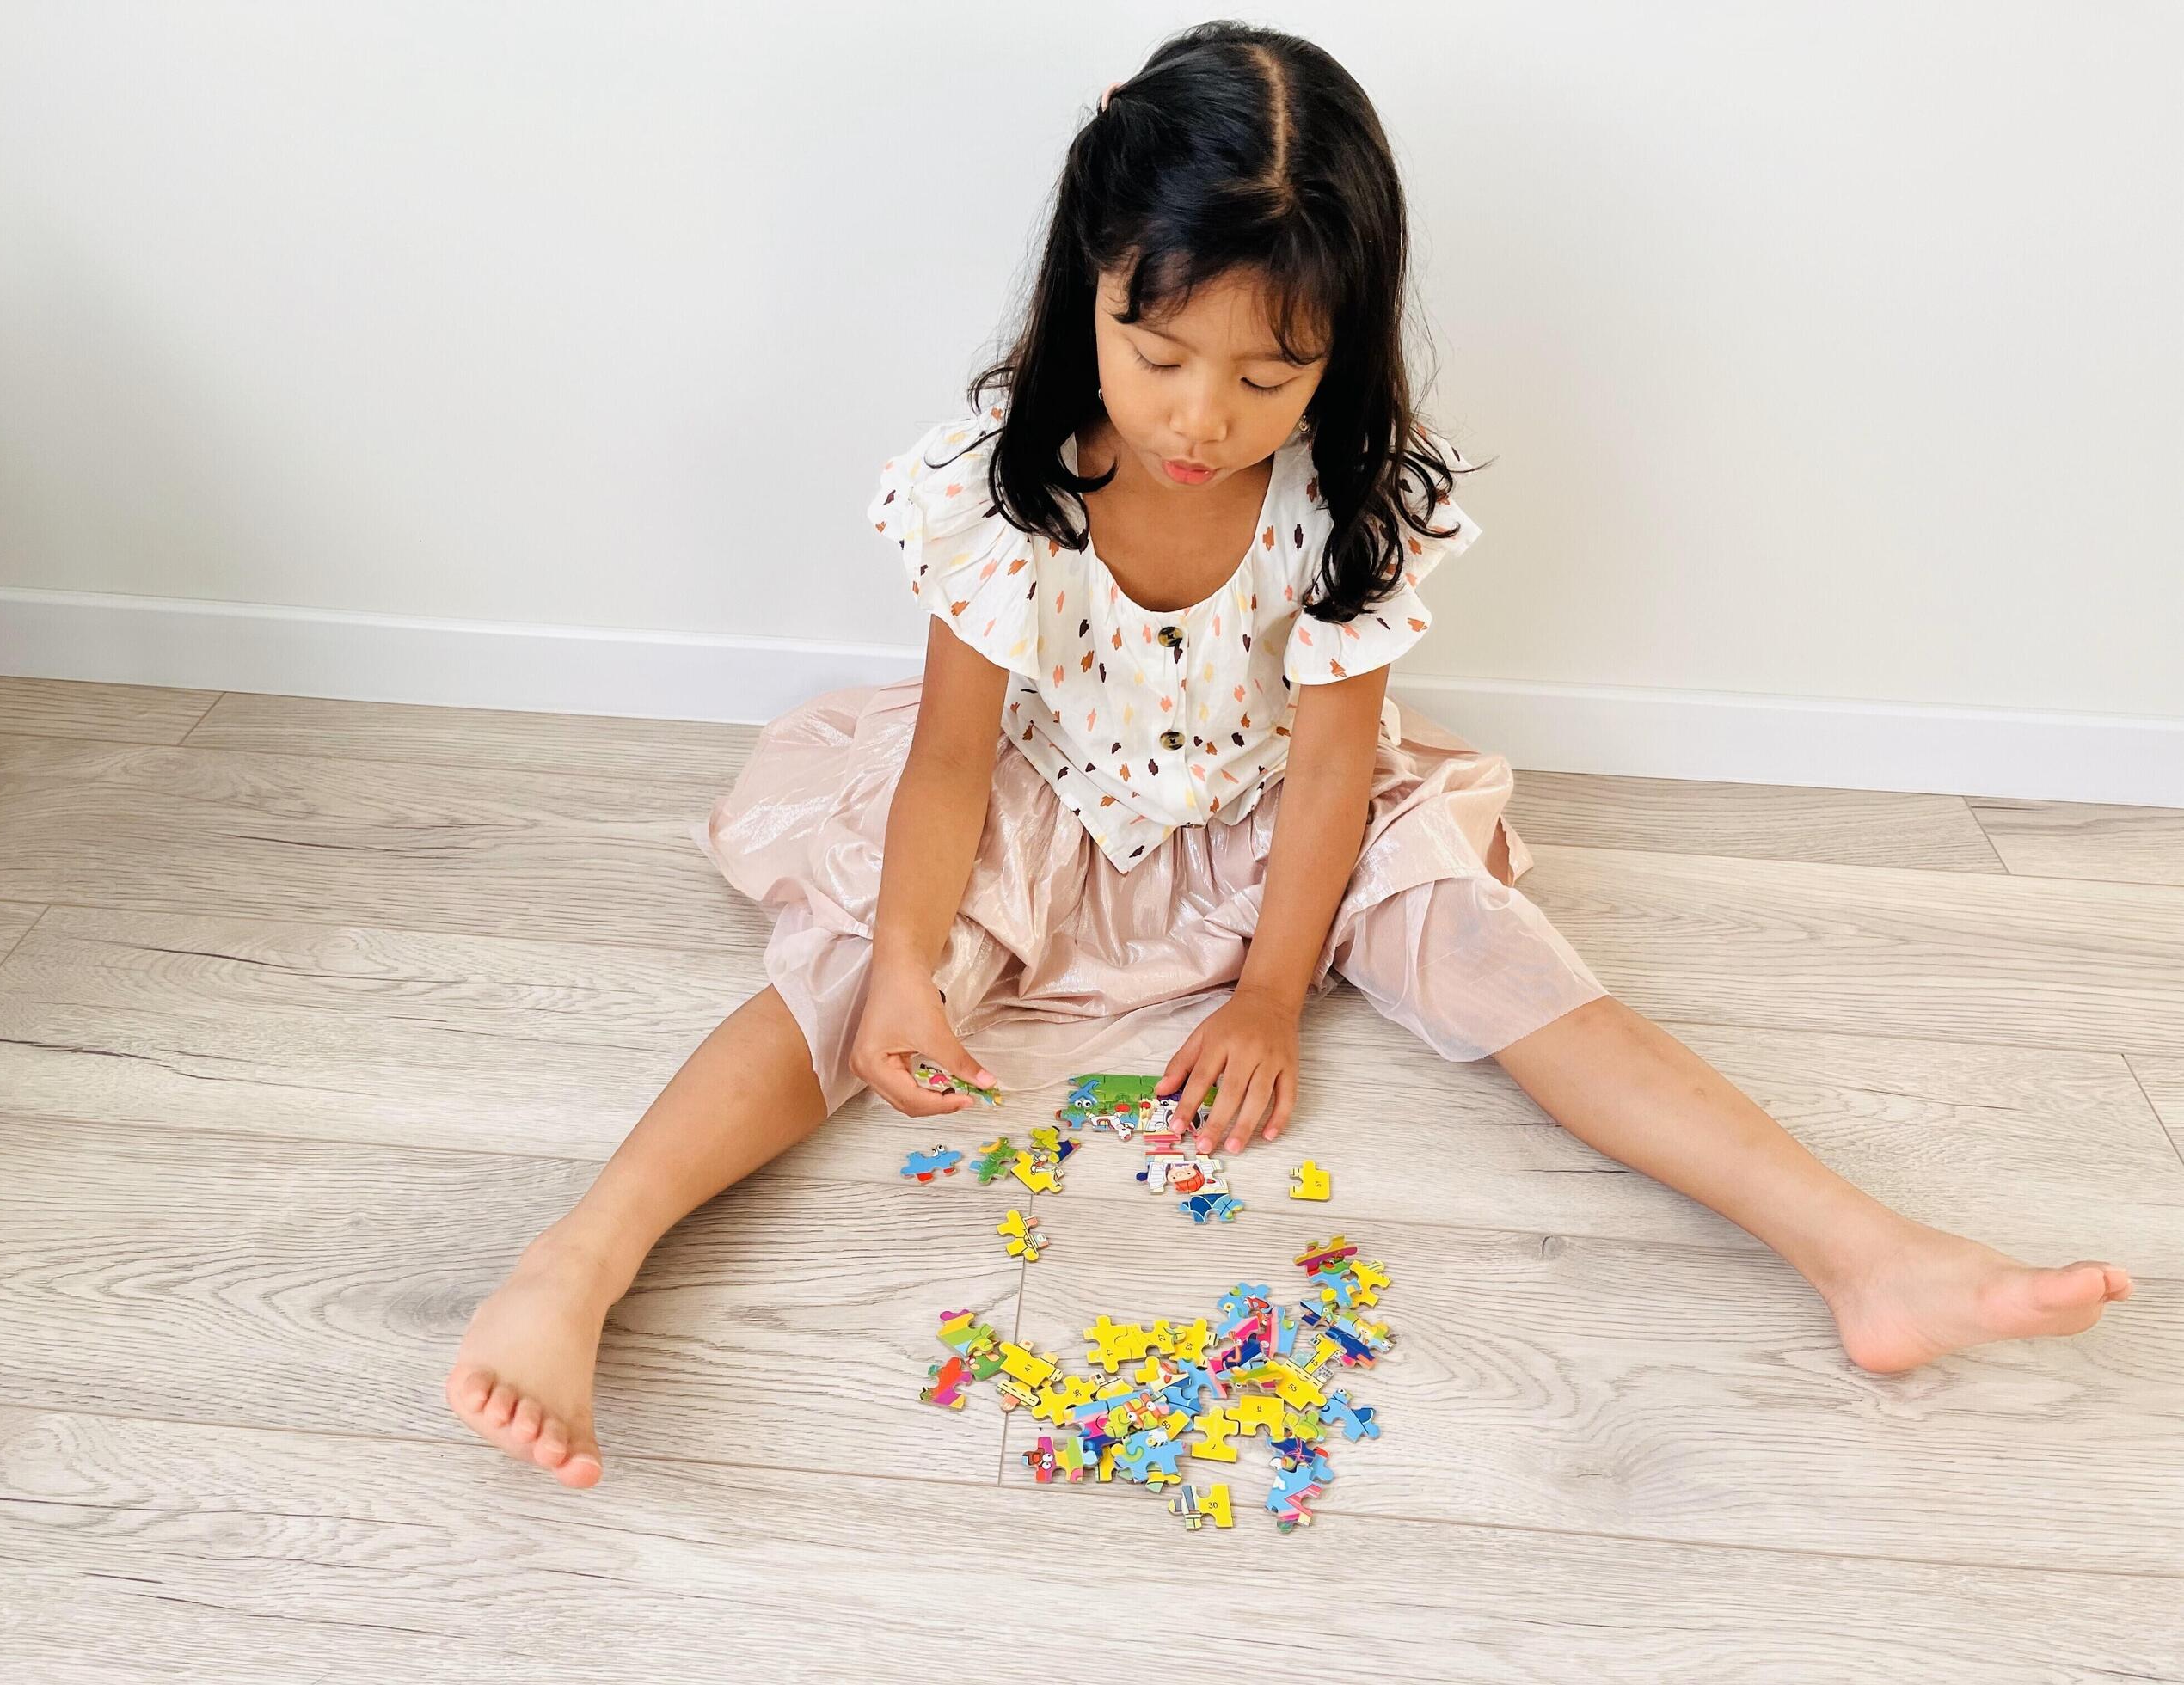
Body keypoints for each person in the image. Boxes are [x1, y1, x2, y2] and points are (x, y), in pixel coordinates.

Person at [446, 22, 2132, 1490]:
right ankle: (576, 1261)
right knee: (834, 971)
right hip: (1039, 791)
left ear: (1341, 341)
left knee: (1496, 950)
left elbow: (1334, 770)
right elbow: (950, 761)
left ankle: (1863, 1250)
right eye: (1158, 354)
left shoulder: (1349, 497)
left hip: (1280, 814)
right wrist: (899, 966)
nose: (1201, 419)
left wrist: (1266, 990)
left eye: (1270, 373)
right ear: (1081, 293)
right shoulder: (998, 482)